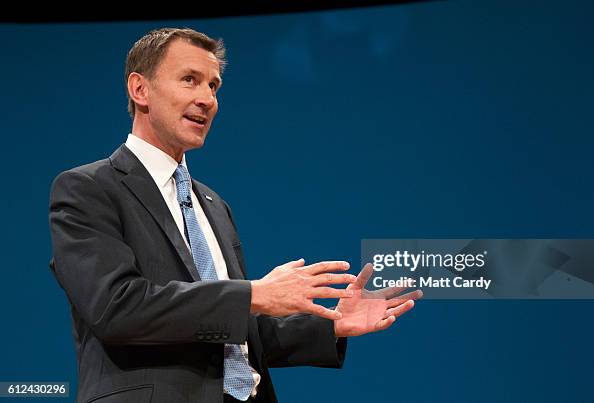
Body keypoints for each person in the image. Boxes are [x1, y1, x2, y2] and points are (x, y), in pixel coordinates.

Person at [48, 27, 421, 403]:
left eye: (214, 86)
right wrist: (252, 294)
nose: (207, 99)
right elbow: (118, 307)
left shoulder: (211, 203)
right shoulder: (89, 188)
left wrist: (332, 326)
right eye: (190, 80)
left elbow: (230, 333)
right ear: (140, 89)